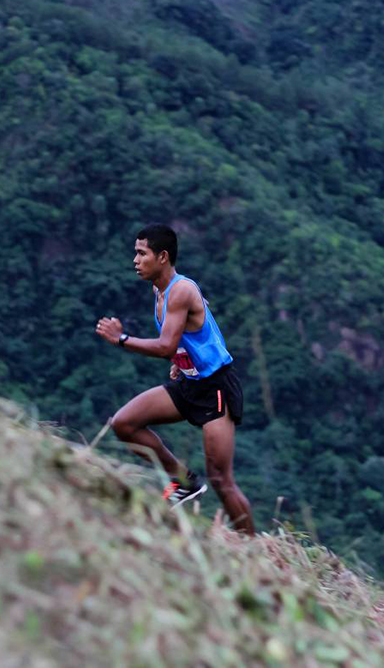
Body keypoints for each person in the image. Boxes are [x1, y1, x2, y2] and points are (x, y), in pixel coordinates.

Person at [95, 223, 255, 536]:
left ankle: (257, 553)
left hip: (215, 388)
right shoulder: (160, 290)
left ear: (163, 257)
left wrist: (121, 339)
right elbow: (189, 334)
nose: (135, 260)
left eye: (142, 254)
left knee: (222, 479)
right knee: (124, 424)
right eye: (135, 253)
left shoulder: (181, 290)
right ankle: (182, 480)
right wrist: (181, 361)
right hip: (189, 382)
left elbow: (167, 342)